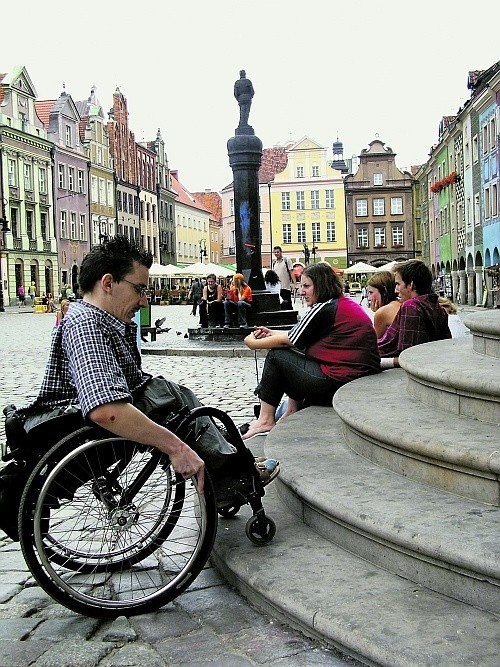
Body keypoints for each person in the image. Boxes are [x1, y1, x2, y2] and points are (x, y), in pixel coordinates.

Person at [14, 235, 278, 499]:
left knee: (175, 395)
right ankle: (232, 475)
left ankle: (228, 461)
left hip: (89, 417)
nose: (143, 301)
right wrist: (175, 448)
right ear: (108, 283)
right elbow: (105, 411)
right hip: (74, 426)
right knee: (167, 397)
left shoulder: (102, 319)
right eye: (139, 290)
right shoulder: (86, 325)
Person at [241, 263, 381, 440]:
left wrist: (251, 341)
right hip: (355, 379)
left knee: (277, 356)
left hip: (340, 381)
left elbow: (288, 341)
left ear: (321, 285)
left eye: (306, 286)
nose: (301, 291)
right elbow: (299, 333)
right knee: (297, 354)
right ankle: (291, 411)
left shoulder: (325, 309)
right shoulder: (339, 304)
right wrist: (270, 332)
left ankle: (265, 420)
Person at [378, 260, 452, 369]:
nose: (395, 290)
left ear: (411, 285)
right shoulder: (436, 306)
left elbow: (408, 357)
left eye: (398, 284)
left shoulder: (411, 306)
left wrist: (380, 362)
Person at [366, 271, 401, 338]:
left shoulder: (383, 312)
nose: (369, 298)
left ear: (384, 292)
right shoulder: (402, 303)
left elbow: (375, 342)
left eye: (371, 292)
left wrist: (378, 312)